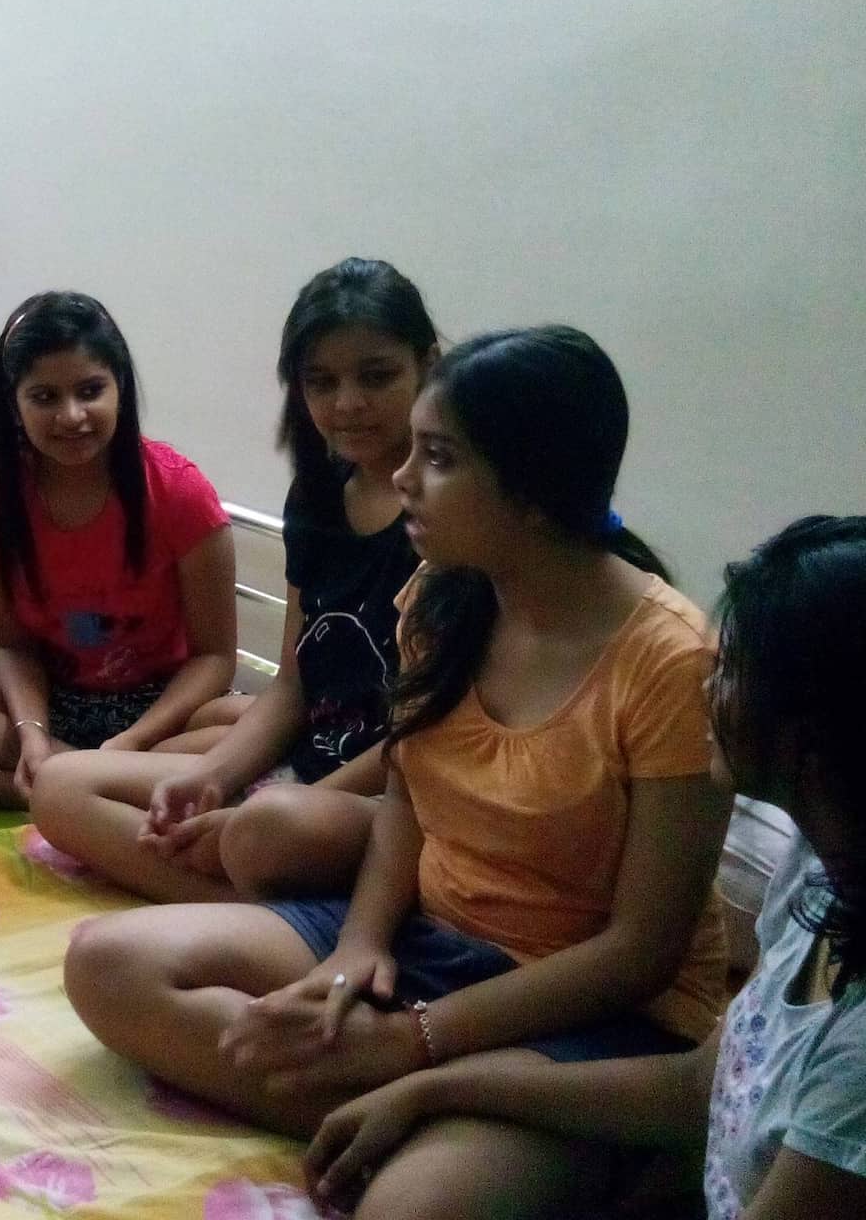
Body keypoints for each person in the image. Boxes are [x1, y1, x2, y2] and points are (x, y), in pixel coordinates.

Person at [63, 325, 732, 1217]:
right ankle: (419, 1121)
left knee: (408, 1211)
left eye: (439, 458)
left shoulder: (671, 663)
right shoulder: (443, 601)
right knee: (106, 964)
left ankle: (457, 1124)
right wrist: (359, 948)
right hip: (428, 941)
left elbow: (640, 953)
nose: (404, 477)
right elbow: (408, 802)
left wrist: (416, 1040)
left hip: (583, 1011)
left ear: (535, 492)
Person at [306, 515, 866, 1220]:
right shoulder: (825, 875)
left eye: (731, 671)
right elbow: (701, 1088)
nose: (704, 686)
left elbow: (642, 959)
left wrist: (425, 1057)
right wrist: (431, 1088)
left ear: (816, 739)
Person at [32, 258, 436, 901]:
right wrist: (214, 781)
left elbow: (429, 741)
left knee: (264, 825)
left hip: (394, 798)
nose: (347, 403)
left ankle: (256, 902)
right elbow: (293, 682)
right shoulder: (318, 496)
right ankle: (239, 898)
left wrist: (287, 805)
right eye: (321, 381)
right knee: (61, 786)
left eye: (377, 376)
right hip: (308, 767)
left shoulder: (446, 518)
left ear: (427, 366)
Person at [0, 291, 239, 806]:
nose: (72, 416)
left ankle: (24, 783)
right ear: (14, 403)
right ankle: (70, 776)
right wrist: (32, 734)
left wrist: (133, 741)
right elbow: (13, 646)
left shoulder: (179, 492)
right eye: (45, 397)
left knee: (249, 722)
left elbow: (214, 657)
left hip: (159, 710)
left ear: (120, 387)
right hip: (43, 702)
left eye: (90, 391)